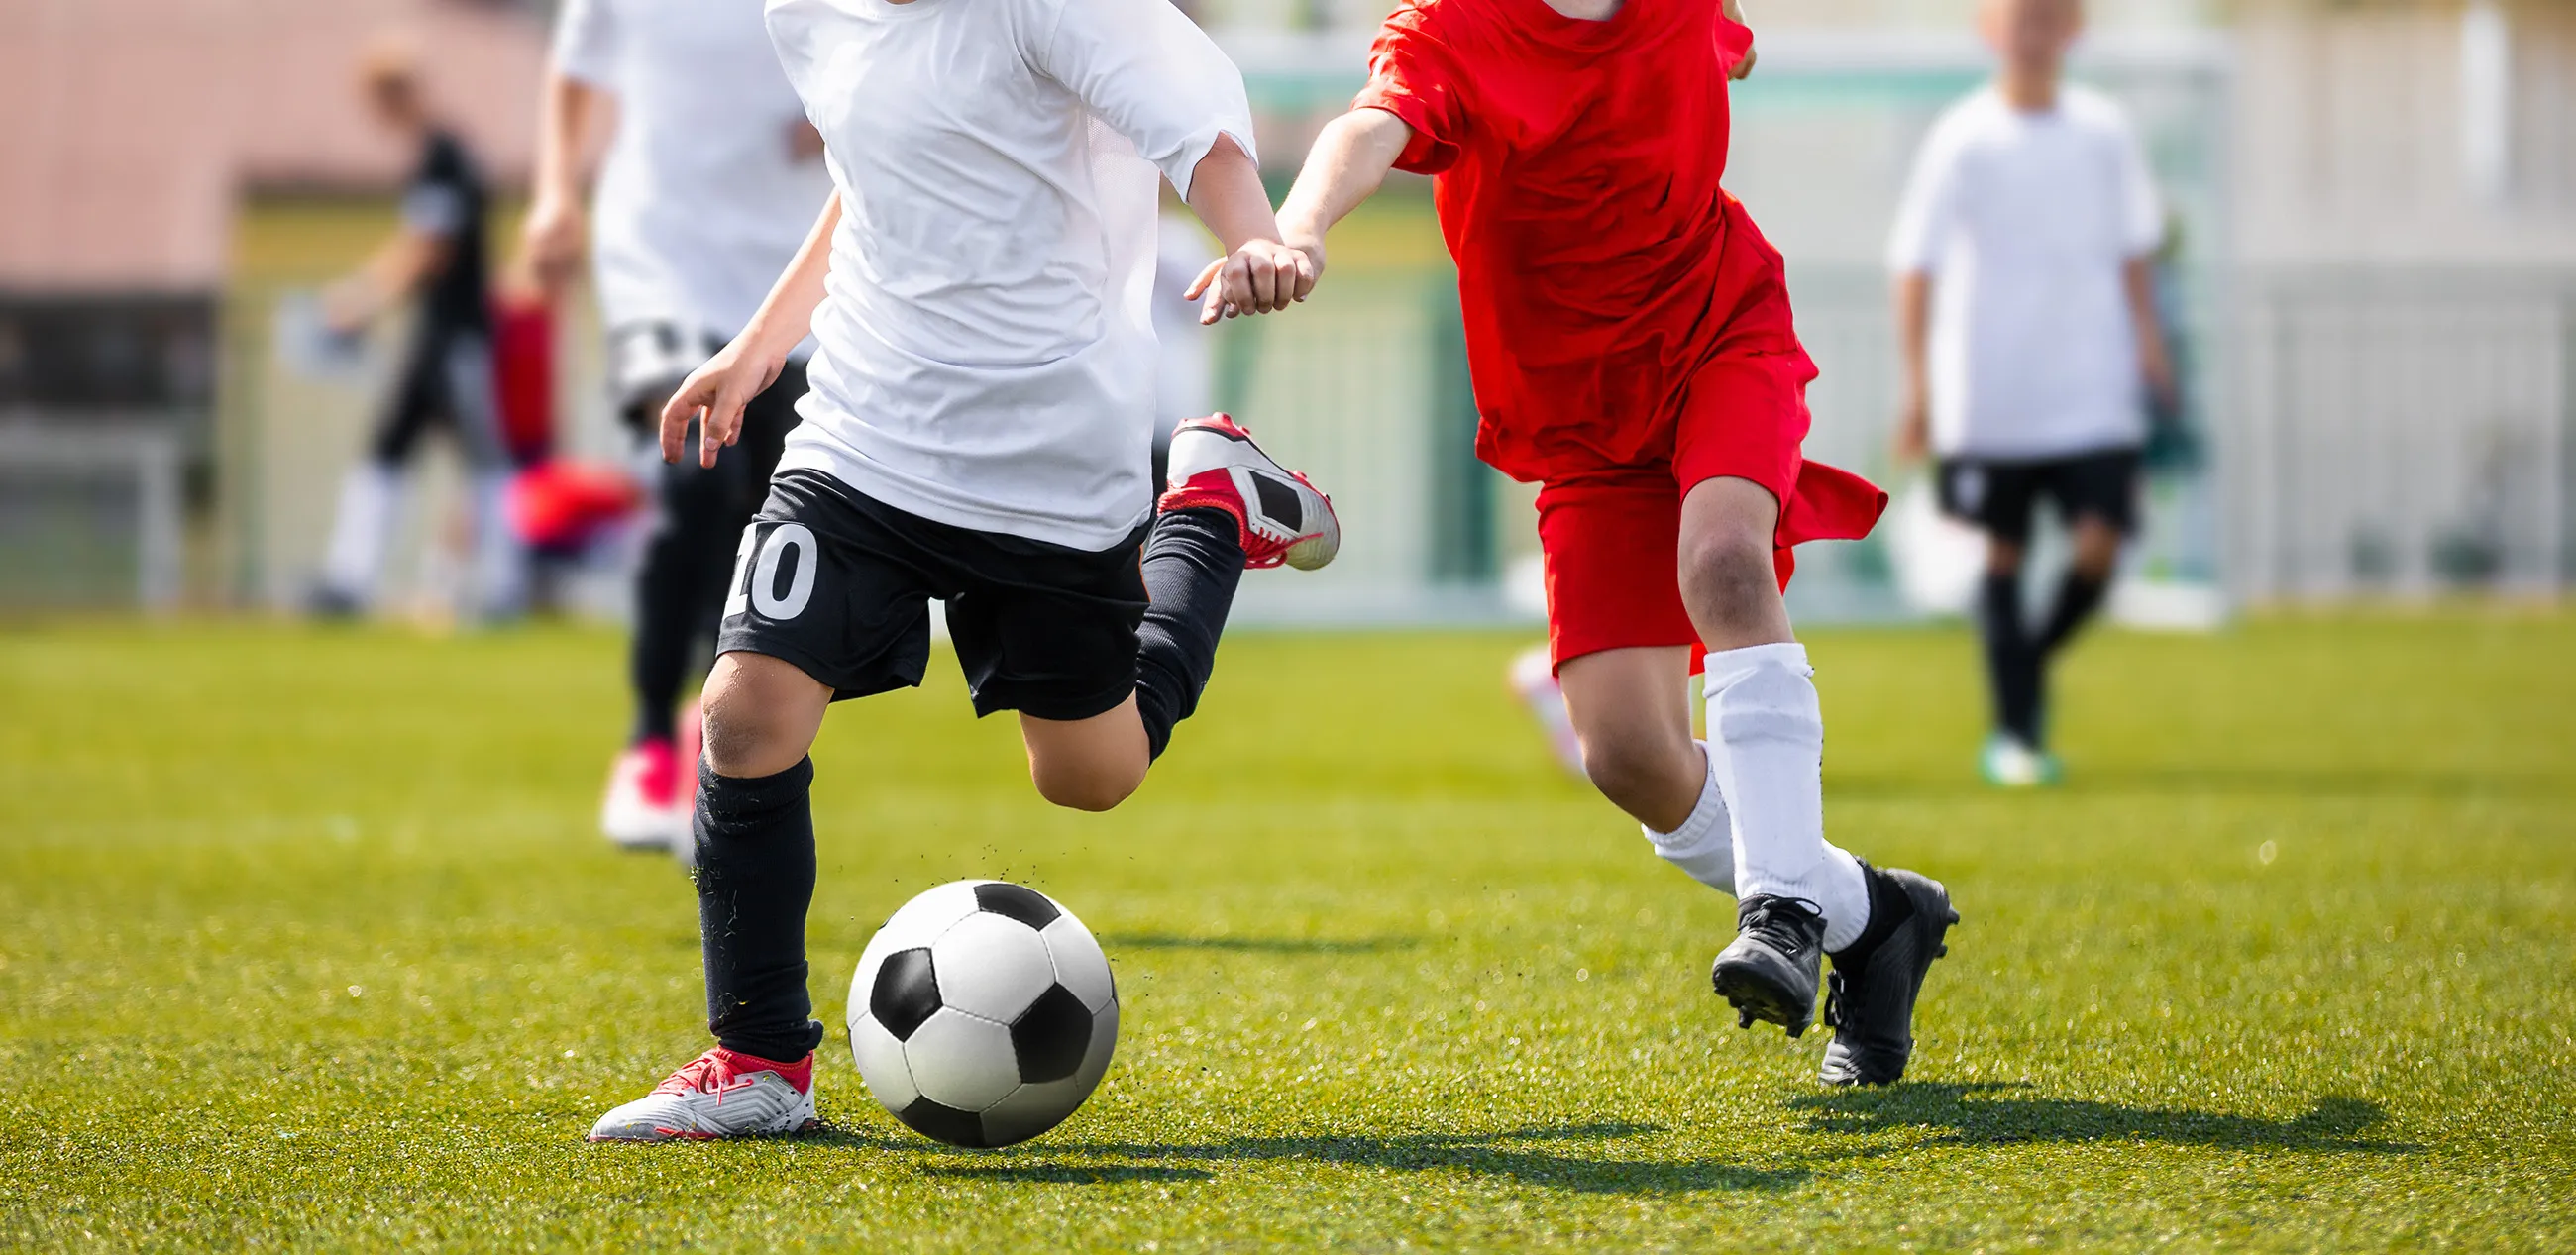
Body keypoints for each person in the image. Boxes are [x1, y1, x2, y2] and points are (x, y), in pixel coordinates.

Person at [586, 0, 1338, 1140]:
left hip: (1049, 456)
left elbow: (1203, 139)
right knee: (742, 714)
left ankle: (1210, 513)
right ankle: (759, 1061)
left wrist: (1256, 236)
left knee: (1089, 775)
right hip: (862, 435)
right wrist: (755, 347)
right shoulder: (805, 15)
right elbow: (871, 172)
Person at [1223, 0, 1958, 1086]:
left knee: (1721, 560)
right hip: (1583, 419)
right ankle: (1872, 915)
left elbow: (1726, 49)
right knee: (1626, 755)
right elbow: (1363, 128)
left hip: (1719, 333)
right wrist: (1297, 228)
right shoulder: (1450, 29)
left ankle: (1783, 909)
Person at [517, 0, 836, 852]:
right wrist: (554, 194)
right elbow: (573, 69)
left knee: (764, 521)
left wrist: (839, 120)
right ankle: (649, 739)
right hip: (659, 261)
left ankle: (713, 739)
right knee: (694, 477)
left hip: (786, 275)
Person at [1887, 0, 2176, 787]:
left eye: (2050, 17)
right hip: (1990, 396)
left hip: (2092, 390)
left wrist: (2152, 346)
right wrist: (1919, 390)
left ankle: (2030, 658)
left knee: (2099, 543)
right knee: (2002, 553)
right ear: (1992, 29)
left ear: (2072, 29)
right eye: (2021, 17)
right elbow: (1916, 265)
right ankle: (2016, 733)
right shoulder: (1961, 137)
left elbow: (2135, 253)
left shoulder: (2105, 133)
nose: (2034, 33)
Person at [310, 39, 523, 621]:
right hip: (436, 334)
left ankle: (507, 587)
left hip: (455, 337)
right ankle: (347, 580)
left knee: (483, 459)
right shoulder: (445, 154)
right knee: (388, 448)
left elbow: (430, 248)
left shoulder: (444, 157)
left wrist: (361, 298)